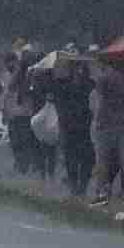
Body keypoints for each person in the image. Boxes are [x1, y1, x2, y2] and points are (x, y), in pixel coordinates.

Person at [44, 58, 95, 196]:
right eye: (76, 68)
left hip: (86, 127)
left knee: (87, 158)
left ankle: (82, 187)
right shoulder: (61, 85)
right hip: (69, 127)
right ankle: (73, 186)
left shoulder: (90, 84)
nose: (79, 71)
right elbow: (54, 96)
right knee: (71, 158)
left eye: (82, 68)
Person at [90, 61, 124, 207]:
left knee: (103, 162)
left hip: (104, 125)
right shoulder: (107, 78)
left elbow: (99, 97)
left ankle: (102, 194)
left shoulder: (104, 78)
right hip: (116, 124)